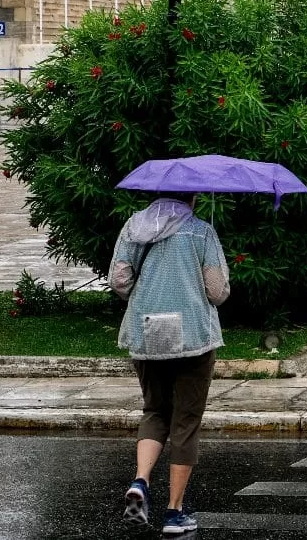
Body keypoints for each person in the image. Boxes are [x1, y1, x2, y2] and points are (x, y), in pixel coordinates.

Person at [108, 193, 230, 535]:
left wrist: (144, 294)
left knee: (155, 410)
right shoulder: (201, 231)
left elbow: (119, 280)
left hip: (146, 333)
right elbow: (216, 291)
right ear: (191, 198)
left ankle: (141, 480)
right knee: (186, 421)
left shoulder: (133, 227)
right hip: (193, 335)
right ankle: (174, 513)